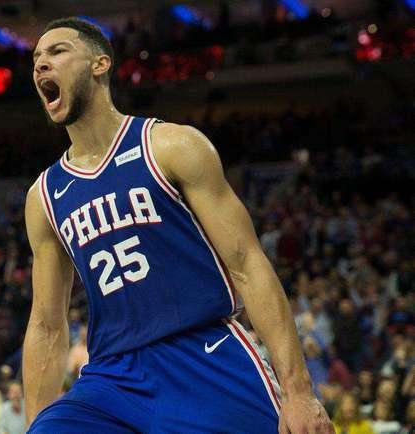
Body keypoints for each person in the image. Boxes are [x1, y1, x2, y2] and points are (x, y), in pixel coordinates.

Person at [22, 17, 334, 433]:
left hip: (203, 354)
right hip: (113, 378)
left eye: (57, 51)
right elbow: (46, 324)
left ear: (100, 64)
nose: (41, 64)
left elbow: (247, 263)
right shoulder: (44, 196)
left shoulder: (171, 146)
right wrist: (36, 423)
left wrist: (298, 392)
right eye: (36, 58)